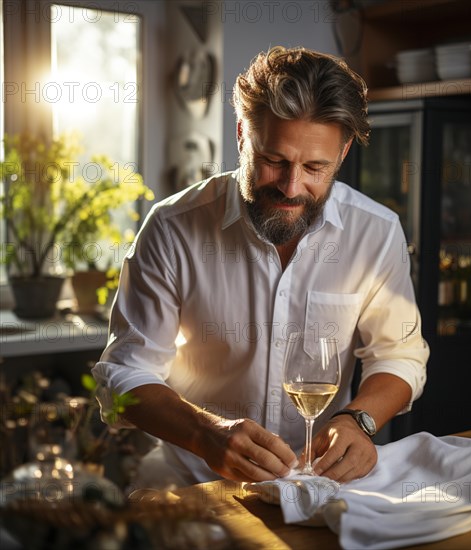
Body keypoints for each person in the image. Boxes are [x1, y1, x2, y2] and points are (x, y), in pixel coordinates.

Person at [92, 46, 429, 487]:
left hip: (320, 485)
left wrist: (358, 421)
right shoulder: (173, 228)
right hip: (194, 480)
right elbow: (124, 373)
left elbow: (399, 355)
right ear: (241, 135)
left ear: (343, 153)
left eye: (314, 167)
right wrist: (204, 433)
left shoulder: (376, 232)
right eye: (273, 161)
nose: (292, 187)